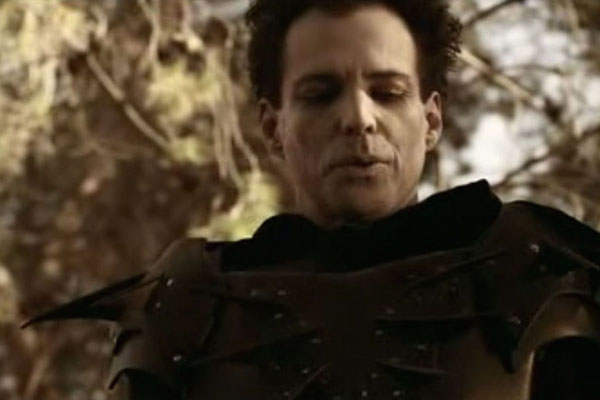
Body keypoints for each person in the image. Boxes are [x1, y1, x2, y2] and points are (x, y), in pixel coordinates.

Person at [25, 0, 600, 399]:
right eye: (321, 95)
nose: (357, 118)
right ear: (273, 127)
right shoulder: (189, 305)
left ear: (430, 120)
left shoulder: (539, 274)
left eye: (387, 92)